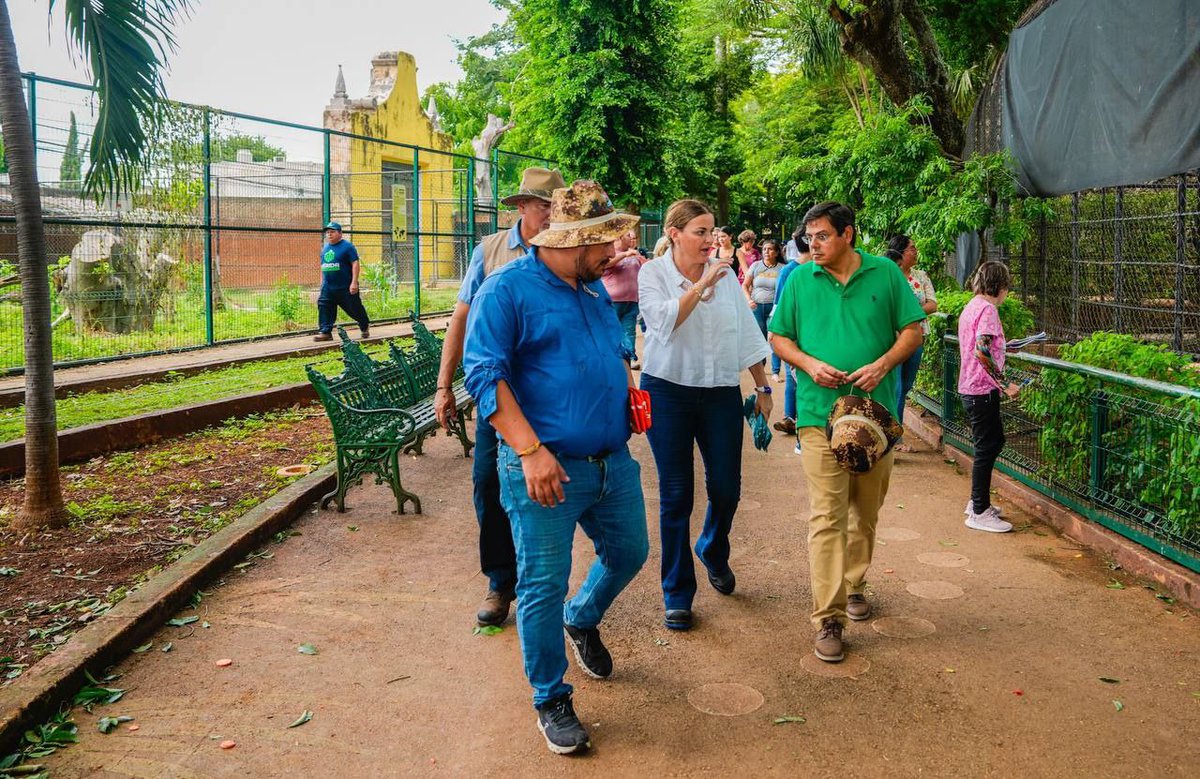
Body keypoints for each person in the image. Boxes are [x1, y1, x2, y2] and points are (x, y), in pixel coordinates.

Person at [463, 180, 648, 755]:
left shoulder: (591, 292)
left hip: (610, 461)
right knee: (540, 584)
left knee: (630, 553)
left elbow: (608, 356)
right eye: (604, 243)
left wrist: (629, 394)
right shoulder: (507, 290)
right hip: (544, 469)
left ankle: (583, 615)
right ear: (573, 241)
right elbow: (484, 375)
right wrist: (529, 450)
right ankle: (551, 697)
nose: (614, 252)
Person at [769, 201, 925, 663]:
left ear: (848, 234)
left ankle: (856, 581)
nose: (812, 245)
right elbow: (780, 338)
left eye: (821, 236)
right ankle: (828, 617)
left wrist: (882, 365)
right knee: (827, 515)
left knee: (866, 510)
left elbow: (914, 330)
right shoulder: (799, 279)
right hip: (820, 416)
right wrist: (809, 364)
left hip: (875, 419)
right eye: (808, 237)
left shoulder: (885, 274)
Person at [434, 167, 564, 627]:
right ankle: (500, 581)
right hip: (497, 393)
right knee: (489, 484)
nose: (552, 213)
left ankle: (543, 580)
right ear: (523, 206)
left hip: (550, 392)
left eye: (556, 205)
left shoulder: (566, 247)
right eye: (545, 204)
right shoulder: (489, 252)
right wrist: (444, 384)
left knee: (557, 483)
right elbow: (461, 318)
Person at [638, 199, 773, 631]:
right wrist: (699, 287)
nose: (710, 239)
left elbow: (748, 333)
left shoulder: (728, 279)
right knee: (677, 495)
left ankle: (712, 547)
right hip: (668, 392)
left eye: (712, 231)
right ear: (674, 233)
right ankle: (677, 593)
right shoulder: (653, 274)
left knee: (727, 489)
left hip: (719, 394)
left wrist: (764, 386)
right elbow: (662, 324)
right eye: (700, 231)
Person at [957, 261, 1020, 534]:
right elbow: (982, 351)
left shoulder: (972, 306)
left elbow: (982, 345)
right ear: (1000, 286)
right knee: (987, 447)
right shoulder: (989, 309)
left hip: (971, 387)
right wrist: (1006, 384)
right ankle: (979, 510)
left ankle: (978, 503)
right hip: (982, 389)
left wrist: (1005, 347)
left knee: (991, 444)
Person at [885, 235, 938, 452]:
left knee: (905, 387)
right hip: (893, 340)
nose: (915, 251)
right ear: (900, 253)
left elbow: (933, 305)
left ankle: (890, 431)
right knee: (896, 388)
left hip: (917, 338)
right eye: (911, 248)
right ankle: (895, 439)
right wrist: (915, 312)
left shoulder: (921, 276)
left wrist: (906, 315)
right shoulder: (887, 274)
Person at [770, 235, 810, 436]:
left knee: (797, 381)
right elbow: (779, 304)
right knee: (795, 379)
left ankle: (793, 420)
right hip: (790, 334)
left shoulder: (817, 269)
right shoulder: (790, 270)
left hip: (807, 335)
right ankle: (791, 420)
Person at [313, 222, 370, 341]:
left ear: (340, 233)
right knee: (324, 306)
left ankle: (364, 326)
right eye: (327, 232)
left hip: (345, 286)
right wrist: (322, 283)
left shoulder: (347, 247)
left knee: (354, 308)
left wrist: (354, 282)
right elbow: (323, 266)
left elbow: (355, 263)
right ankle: (325, 332)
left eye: (332, 232)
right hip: (328, 287)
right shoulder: (325, 248)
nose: (329, 234)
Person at [603, 229, 648, 369]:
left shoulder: (635, 253)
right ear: (620, 237)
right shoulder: (610, 252)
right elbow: (606, 264)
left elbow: (645, 267)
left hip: (632, 300)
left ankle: (629, 360)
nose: (632, 238)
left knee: (629, 331)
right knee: (611, 330)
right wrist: (625, 254)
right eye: (629, 236)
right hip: (612, 301)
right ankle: (610, 361)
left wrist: (644, 261)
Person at [742, 237, 784, 345]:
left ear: (776, 252)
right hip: (756, 306)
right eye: (764, 249)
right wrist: (749, 300)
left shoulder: (783, 268)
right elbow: (745, 285)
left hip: (774, 308)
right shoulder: (755, 265)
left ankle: (775, 362)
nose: (766, 252)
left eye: (770, 249)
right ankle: (762, 362)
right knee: (759, 339)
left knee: (773, 339)